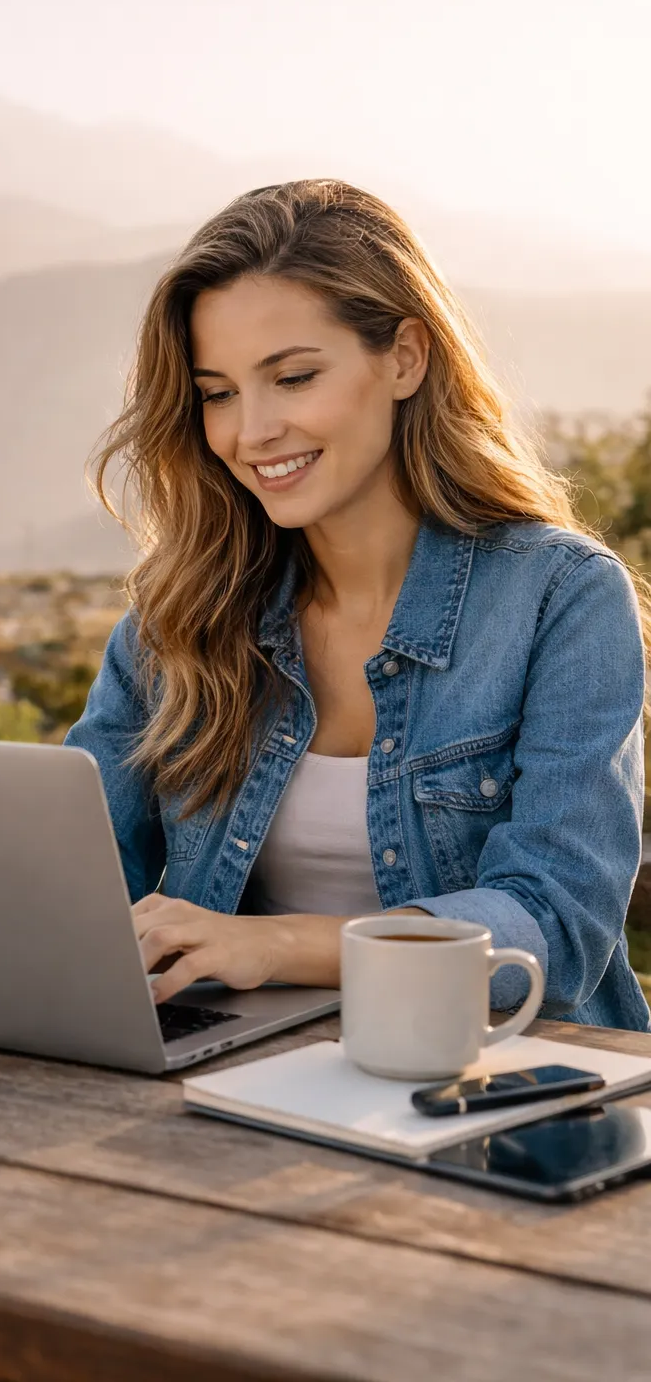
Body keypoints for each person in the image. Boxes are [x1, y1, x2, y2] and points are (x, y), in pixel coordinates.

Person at [63, 179, 651, 1030]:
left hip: (504, 1093)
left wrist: (272, 945)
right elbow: (76, 873)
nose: (250, 431)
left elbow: (555, 930)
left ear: (406, 357)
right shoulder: (177, 619)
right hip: (231, 1091)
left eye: (293, 377)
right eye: (218, 392)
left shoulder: (559, 599)